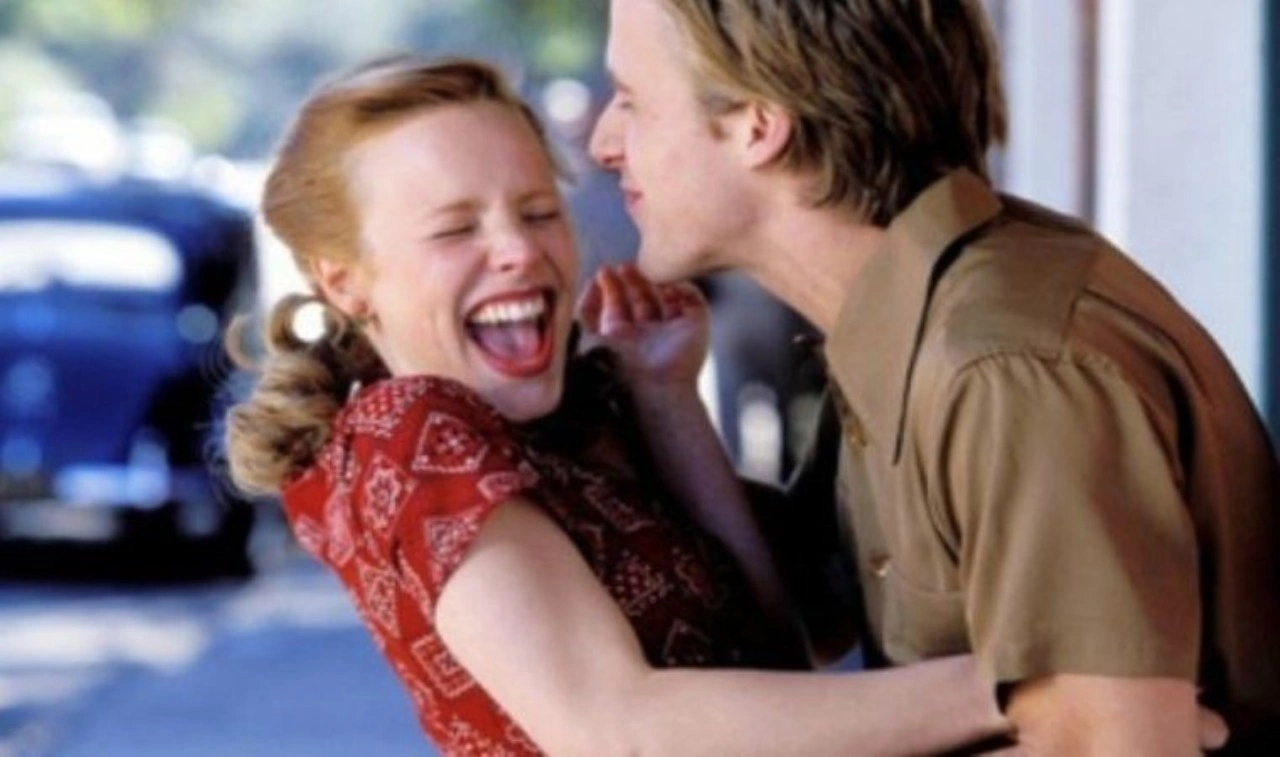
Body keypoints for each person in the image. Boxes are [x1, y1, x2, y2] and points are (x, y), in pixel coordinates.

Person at [223, 55, 1011, 756]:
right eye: (455, 229)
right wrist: (1019, 687)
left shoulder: (566, 420)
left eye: (538, 210)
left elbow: (784, 642)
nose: (521, 249)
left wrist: (666, 398)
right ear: (344, 281)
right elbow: (618, 730)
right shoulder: (410, 431)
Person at [588, 1, 1280, 754]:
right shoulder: (908, 315)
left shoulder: (1003, 368)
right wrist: (665, 399)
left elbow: (1111, 747)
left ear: (759, 123)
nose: (603, 144)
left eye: (631, 101)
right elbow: (812, 610)